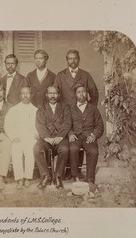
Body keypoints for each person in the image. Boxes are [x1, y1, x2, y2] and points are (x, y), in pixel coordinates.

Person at [54, 49, 99, 180]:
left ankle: (77, 172)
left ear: (78, 59)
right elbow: (55, 93)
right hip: (66, 113)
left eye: (75, 58)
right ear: (66, 60)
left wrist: (89, 109)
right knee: (69, 142)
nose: (72, 61)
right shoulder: (60, 75)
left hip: (82, 113)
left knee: (79, 140)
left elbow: (94, 93)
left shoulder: (85, 75)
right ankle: (69, 172)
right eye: (70, 58)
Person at [33, 86, 71, 189]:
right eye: (50, 93)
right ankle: (46, 175)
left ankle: (58, 176)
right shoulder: (41, 107)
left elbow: (67, 123)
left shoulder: (64, 106)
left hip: (60, 138)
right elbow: (39, 124)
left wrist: (59, 136)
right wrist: (47, 137)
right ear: (46, 95)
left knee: (65, 149)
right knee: (36, 149)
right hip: (46, 139)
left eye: (55, 93)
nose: (52, 96)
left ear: (58, 95)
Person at [68, 83, 104, 191]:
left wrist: (94, 135)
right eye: (79, 92)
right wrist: (70, 133)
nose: (81, 94)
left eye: (83, 91)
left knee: (93, 152)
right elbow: (66, 124)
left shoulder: (93, 108)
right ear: (75, 94)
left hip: (89, 137)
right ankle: (75, 176)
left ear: (87, 93)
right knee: (73, 149)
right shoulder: (70, 108)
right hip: (76, 136)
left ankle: (90, 179)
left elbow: (99, 125)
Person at [4, 87, 38, 189]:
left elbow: (39, 125)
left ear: (31, 95)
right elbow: (8, 125)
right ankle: (19, 178)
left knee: (29, 152)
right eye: (23, 93)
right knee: (16, 151)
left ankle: (27, 177)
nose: (25, 95)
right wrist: (13, 137)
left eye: (28, 93)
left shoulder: (36, 110)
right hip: (17, 136)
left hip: (31, 137)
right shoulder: (13, 109)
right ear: (20, 96)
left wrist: (36, 134)